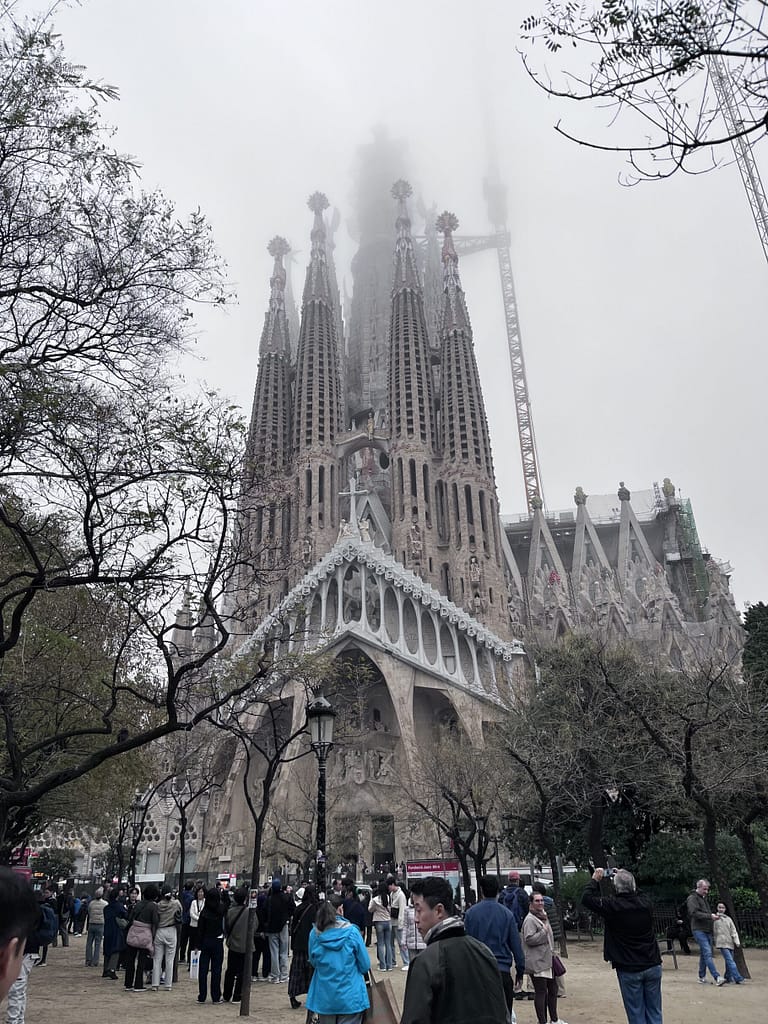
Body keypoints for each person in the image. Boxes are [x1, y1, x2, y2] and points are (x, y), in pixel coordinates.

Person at [401, 876, 507, 1024]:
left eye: (419, 910)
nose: (415, 919)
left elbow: (415, 1019)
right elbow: (501, 1011)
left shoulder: (426, 961)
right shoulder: (484, 952)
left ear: (439, 910)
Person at [582, 867, 661, 1024]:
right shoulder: (646, 903)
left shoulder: (613, 906)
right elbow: (639, 892)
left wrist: (595, 880)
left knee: (636, 1013)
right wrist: (628, 877)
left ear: (615, 887)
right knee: (655, 1011)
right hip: (652, 963)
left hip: (628, 966)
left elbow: (586, 898)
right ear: (633, 886)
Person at [465, 875, 525, 1023]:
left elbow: (465, 944)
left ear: (481, 890)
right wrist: (520, 970)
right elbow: (516, 947)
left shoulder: (471, 914)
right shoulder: (507, 914)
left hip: (477, 972)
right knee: (504, 1016)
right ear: (498, 890)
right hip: (502, 971)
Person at [306, 894, 370, 1024]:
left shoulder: (314, 934)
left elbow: (313, 962)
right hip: (351, 996)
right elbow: (365, 965)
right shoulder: (352, 932)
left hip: (324, 996)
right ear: (340, 909)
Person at [5, 882, 56, 1024]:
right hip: (29, 952)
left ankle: (14, 1020)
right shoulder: (37, 911)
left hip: (23, 952)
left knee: (16, 989)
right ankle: (17, 1020)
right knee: (19, 989)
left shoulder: (27, 914)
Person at [521, 890, 567, 1024]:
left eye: (541, 900)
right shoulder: (530, 919)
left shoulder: (542, 915)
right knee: (541, 991)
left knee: (553, 988)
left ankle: (554, 1019)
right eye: (537, 901)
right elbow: (529, 939)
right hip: (537, 961)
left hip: (547, 959)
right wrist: (543, 932)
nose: (540, 903)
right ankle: (542, 1021)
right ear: (531, 903)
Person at [686, 879, 725, 986]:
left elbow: (705, 913)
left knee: (704, 954)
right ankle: (717, 977)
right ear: (698, 887)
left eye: (707, 889)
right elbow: (694, 913)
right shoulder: (692, 898)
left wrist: (712, 916)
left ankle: (701, 977)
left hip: (707, 930)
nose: (706, 891)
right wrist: (710, 916)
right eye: (704, 889)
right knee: (707, 953)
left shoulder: (703, 899)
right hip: (698, 929)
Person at [124, 883, 159, 992]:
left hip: (134, 932)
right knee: (141, 961)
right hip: (145, 934)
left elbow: (130, 917)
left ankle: (128, 984)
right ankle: (138, 984)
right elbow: (155, 922)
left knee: (130, 960)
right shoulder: (153, 906)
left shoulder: (138, 904)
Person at [288, 884, 318, 1009]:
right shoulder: (317, 909)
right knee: (312, 972)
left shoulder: (299, 908)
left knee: (297, 971)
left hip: (299, 944)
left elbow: (293, 927)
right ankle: (313, 997)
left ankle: (293, 996)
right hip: (312, 944)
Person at [197, 887, 225, 1003]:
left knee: (203, 970)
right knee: (216, 970)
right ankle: (216, 996)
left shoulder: (204, 912)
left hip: (206, 941)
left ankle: (202, 995)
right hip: (218, 941)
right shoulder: (221, 909)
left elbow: (200, 930)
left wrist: (197, 944)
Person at [152, 887, 182, 990]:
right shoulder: (176, 903)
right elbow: (180, 911)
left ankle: (155, 984)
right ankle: (168, 984)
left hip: (160, 931)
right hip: (171, 929)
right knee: (170, 959)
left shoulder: (158, 905)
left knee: (157, 959)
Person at [265, 876, 294, 984]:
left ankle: (275, 976)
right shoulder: (286, 897)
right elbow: (292, 909)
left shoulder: (269, 899)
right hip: (284, 926)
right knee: (283, 952)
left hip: (272, 928)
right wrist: (287, 917)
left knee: (274, 952)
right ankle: (284, 975)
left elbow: (264, 913)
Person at [223, 887, 249, 1002]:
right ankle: (237, 995)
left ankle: (226, 995)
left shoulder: (229, 911)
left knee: (230, 970)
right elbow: (254, 926)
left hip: (233, 943)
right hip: (245, 945)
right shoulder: (249, 912)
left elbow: (226, 927)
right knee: (242, 972)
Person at [712, 902, 745, 984]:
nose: (721, 909)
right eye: (719, 907)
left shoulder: (729, 919)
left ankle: (728, 977)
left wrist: (736, 941)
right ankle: (737, 977)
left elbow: (733, 931)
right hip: (722, 943)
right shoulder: (715, 919)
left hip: (729, 942)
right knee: (730, 960)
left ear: (725, 909)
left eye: (722, 907)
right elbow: (714, 931)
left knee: (729, 961)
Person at [102, 887, 128, 980]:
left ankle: (105, 969)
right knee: (116, 949)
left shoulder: (106, 908)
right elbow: (126, 915)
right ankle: (112, 969)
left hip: (107, 929)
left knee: (107, 950)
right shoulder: (119, 906)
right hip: (116, 930)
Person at [368, 880, 393, 971]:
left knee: (381, 944)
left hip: (379, 922)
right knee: (388, 944)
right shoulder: (388, 897)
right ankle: (389, 965)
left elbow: (370, 909)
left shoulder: (375, 900)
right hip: (388, 921)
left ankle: (382, 965)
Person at [388, 877, 408, 970]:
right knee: (391, 943)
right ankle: (393, 961)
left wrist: (401, 924)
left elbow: (402, 910)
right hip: (391, 921)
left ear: (393, 885)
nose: (389, 888)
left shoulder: (401, 895)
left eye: (389, 886)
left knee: (401, 943)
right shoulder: (391, 894)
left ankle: (406, 962)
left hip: (398, 922)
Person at [84, 886, 107, 967]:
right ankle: (95, 961)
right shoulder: (105, 904)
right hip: (100, 924)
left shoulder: (91, 903)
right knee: (98, 943)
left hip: (92, 923)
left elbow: (89, 912)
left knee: (89, 943)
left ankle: (88, 960)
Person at [178, 882, 194, 963]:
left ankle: (181, 957)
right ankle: (189, 958)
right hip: (188, 920)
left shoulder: (180, 895)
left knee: (182, 940)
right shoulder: (192, 897)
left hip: (181, 919)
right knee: (190, 941)